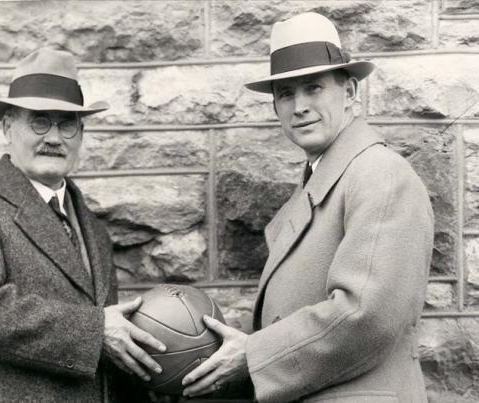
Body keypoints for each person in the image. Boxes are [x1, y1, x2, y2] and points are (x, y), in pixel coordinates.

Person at [182, 12, 434, 403]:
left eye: (314, 88)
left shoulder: (380, 174)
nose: (299, 106)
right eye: (285, 93)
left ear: (350, 91)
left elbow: (366, 316)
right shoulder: (324, 179)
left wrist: (253, 355)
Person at [0, 47, 166, 402]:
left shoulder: (92, 229)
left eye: (67, 124)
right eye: (39, 120)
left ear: (80, 135)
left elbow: (105, 360)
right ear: (8, 127)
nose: (53, 138)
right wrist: (95, 331)